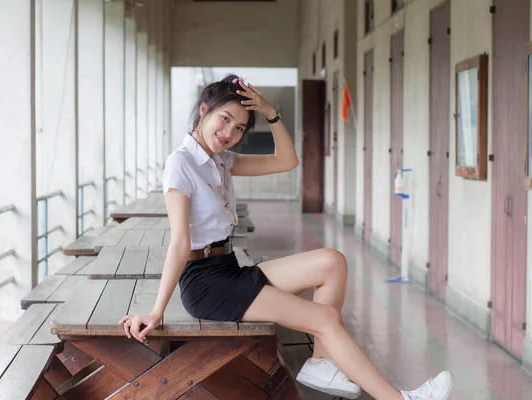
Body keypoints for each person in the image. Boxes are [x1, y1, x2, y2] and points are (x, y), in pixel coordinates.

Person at [119, 74, 454, 400]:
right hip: (207, 285)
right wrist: (156, 311)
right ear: (204, 109)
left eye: (239, 128)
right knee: (324, 318)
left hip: (227, 268)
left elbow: (287, 161)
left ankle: (321, 363)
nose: (229, 132)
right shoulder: (181, 164)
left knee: (332, 262)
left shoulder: (219, 161)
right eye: (225, 119)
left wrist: (270, 113)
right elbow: (179, 242)